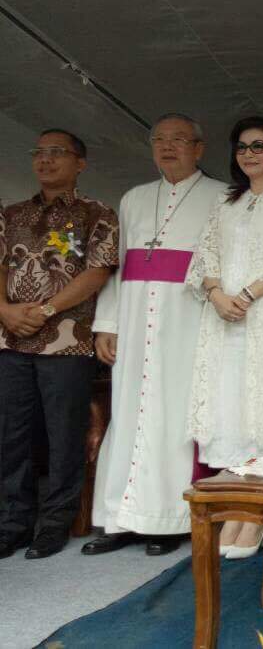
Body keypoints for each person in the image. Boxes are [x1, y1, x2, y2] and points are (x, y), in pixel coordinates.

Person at [84, 114, 225, 558]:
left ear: (198, 148)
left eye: (179, 139)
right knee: (129, 414)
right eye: (160, 140)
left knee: (172, 417)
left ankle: (168, 519)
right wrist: (107, 323)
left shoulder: (222, 196)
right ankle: (120, 518)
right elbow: (118, 266)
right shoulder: (134, 198)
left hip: (187, 325)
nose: (168, 147)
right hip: (133, 323)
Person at [186, 116, 263, 559]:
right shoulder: (226, 201)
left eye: (259, 145)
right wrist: (217, 295)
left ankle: (256, 512)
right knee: (226, 406)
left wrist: (244, 296)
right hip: (221, 315)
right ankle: (236, 506)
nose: (249, 154)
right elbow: (205, 255)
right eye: (242, 147)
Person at [0, 129, 118, 560]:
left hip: (67, 342)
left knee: (64, 434)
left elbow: (98, 272)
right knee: (10, 434)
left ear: (80, 163)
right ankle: (13, 523)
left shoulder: (97, 214)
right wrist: (4, 310)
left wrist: (47, 309)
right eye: (39, 152)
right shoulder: (11, 213)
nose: (45, 160)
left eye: (57, 152)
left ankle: (55, 524)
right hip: (11, 339)